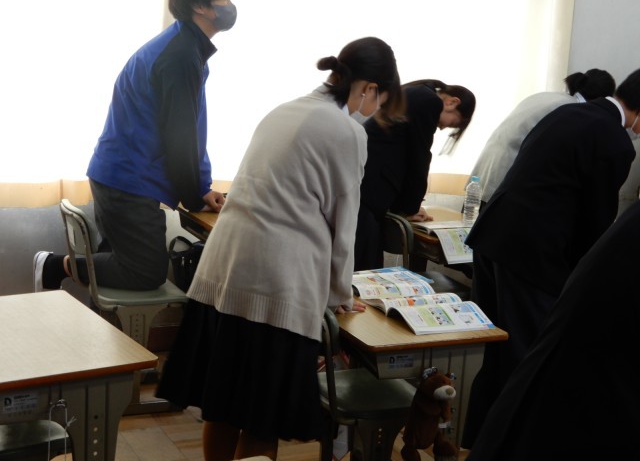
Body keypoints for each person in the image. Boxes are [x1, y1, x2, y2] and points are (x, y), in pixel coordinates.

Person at [156, 37, 403, 461]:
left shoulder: (284, 110)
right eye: (379, 100)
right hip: (276, 283)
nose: (374, 110)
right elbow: (344, 225)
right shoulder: (346, 132)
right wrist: (340, 296)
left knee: (223, 407)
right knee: (260, 419)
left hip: (223, 270)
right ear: (369, 88)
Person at [461, 68, 640, 449]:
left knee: (495, 353)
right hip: (533, 256)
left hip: (494, 238)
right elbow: (595, 222)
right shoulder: (615, 141)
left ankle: (477, 443)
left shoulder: (566, 112)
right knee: (527, 361)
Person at [33, 0, 233, 292]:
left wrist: (202, 188)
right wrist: (195, 196)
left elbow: (193, 128)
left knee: (121, 265)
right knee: (146, 273)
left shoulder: (184, 47)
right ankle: (54, 265)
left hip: (120, 177)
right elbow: (180, 138)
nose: (229, 4)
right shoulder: (181, 55)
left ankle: (74, 288)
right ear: (200, 7)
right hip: (126, 183)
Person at [466, 199, 640, 460]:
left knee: (504, 364)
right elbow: (596, 209)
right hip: (580, 411)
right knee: (514, 357)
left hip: (506, 234)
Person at [354, 79, 476, 271]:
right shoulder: (429, 100)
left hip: (362, 185)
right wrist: (410, 208)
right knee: (364, 268)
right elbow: (419, 158)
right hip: (369, 191)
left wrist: (406, 205)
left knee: (361, 263)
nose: (442, 128)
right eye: (452, 123)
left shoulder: (415, 92)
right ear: (452, 102)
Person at [471, 69, 616, 207]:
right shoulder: (573, 111)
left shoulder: (549, 97)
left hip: (484, 175)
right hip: (506, 181)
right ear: (604, 99)